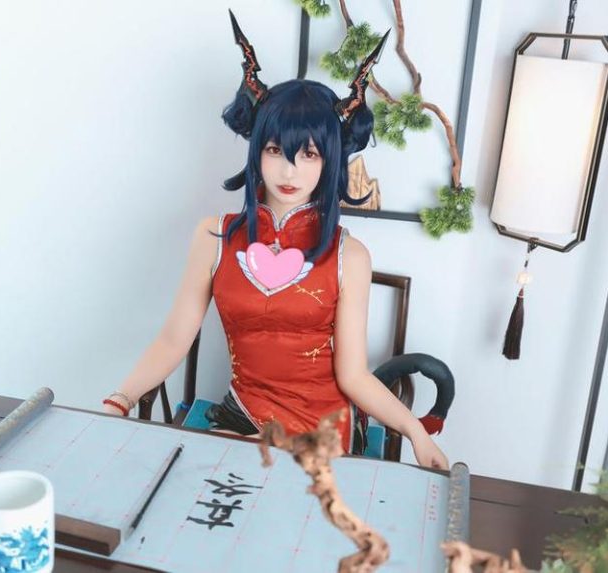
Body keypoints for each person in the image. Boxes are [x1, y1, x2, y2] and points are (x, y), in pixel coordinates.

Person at [103, 12, 448, 469]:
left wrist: (415, 432)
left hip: (320, 424)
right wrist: (120, 399)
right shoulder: (213, 237)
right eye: (274, 151)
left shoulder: (350, 255)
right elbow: (173, 339)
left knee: (272, 487)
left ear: (329, 160)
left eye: (309, 154)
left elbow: (353, 375)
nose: (289, 171)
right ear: (257, 152)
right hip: (244, 412)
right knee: (207, 481)